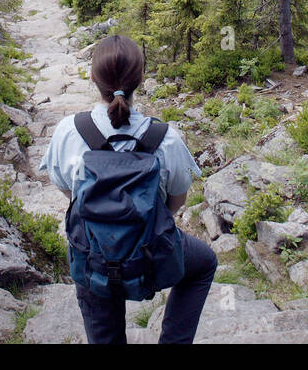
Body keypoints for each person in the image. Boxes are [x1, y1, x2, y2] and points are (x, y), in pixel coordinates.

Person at [39, 34, 216, 344]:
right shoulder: (166, 138)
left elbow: (68, 192)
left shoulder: (69, 131)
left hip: (93, 257)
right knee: (203, 263)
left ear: (93, 77)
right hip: (150, 258)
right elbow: (176, 201)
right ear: (141, 78)